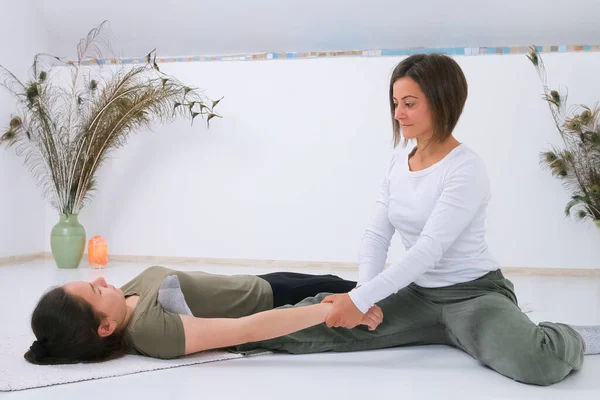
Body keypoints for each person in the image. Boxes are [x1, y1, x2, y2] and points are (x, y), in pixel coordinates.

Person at [232, 53, 600, 386]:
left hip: (473, 295)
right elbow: (377, 234)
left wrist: (361, 301)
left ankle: (573, 335)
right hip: (416, 294)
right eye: (395, 103)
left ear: (442, 102)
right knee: (319, 320)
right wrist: (364, 295)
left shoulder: (466, 168)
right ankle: (211, 329)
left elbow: (429, 250)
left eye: (409, 103)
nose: (398, 114)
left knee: (540, 363)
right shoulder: (398, 162)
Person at [24, 266, 382, 364]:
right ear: (106, 327)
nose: (101, 279)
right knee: (368, 290)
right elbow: (243, 329)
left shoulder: (124, 295)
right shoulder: (151, 332)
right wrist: (327, 310)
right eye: (96, 291)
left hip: (260, 282)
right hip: (274, 305)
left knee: (341, 280)